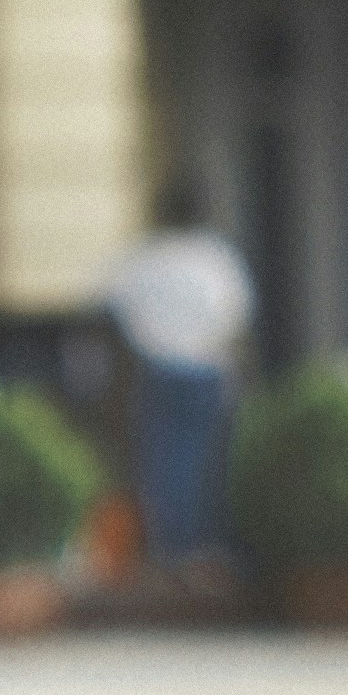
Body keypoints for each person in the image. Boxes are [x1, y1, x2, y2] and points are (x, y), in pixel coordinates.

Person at [103, 182, 256, 570]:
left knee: (163, 462)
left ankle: (169, 550)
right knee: (208, 460)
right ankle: (201, 551)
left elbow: (115, 316)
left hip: (158, 370)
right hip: (206, 370)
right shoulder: (215, 258)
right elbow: (236, 322)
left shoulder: (143, 258)